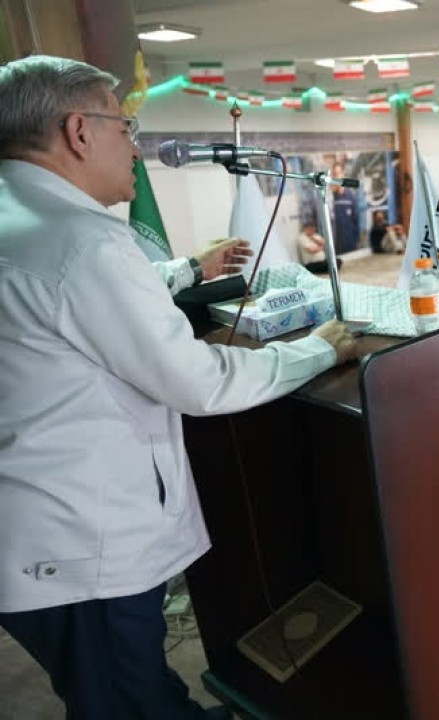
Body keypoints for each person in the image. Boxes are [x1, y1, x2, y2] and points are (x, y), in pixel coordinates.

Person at [0, 55, 357, 719]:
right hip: (80, 544)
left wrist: (188, 268)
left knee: (131, 685)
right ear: (79, 131)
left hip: (32, 527)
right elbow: (198, 381)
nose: (135, 147)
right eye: (125, 126)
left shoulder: (20, 219)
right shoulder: (83, 242)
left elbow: (71, 305)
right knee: (124, 700)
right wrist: (316, 350)